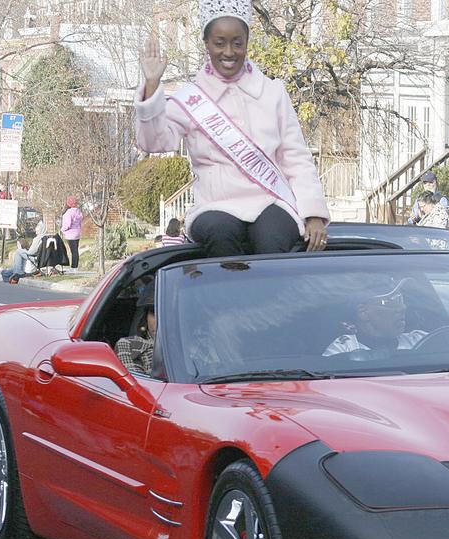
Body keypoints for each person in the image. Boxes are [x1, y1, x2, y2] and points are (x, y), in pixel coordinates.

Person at [136, 0, 330, 257]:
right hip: (215, 205)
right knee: (222, 234)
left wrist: (313, 214)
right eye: (219, 43)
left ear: (246, 44)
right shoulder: (192, 99)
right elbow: (154, 143)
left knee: (272, 238)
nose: (229, 51)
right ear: (206, 44)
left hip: (270, 200)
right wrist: (151, 85)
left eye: (237, 43)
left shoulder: (272, 93)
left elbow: (296, 157)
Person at [324, 281, 426, 357]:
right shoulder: (343, 349)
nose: (402, 308)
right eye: (390, 301)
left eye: (400, 299)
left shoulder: (420, 340)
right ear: (363, 312)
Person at [114, 284, 157, 375]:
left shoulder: (191, 345)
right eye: (154, 313)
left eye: (168, 314)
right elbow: (139, 385)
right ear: (145, 317)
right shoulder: (128, 345)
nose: (160, 321)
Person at [61, 196, 83, 269]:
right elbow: (80, 222)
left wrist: (62, 230)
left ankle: (74, 267)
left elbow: (67, 224)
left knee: (73, 251)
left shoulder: (68, 213)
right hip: (77, 233)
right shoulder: (78, 211)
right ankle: (75, 266)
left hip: (70, 234)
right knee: (75, 251)